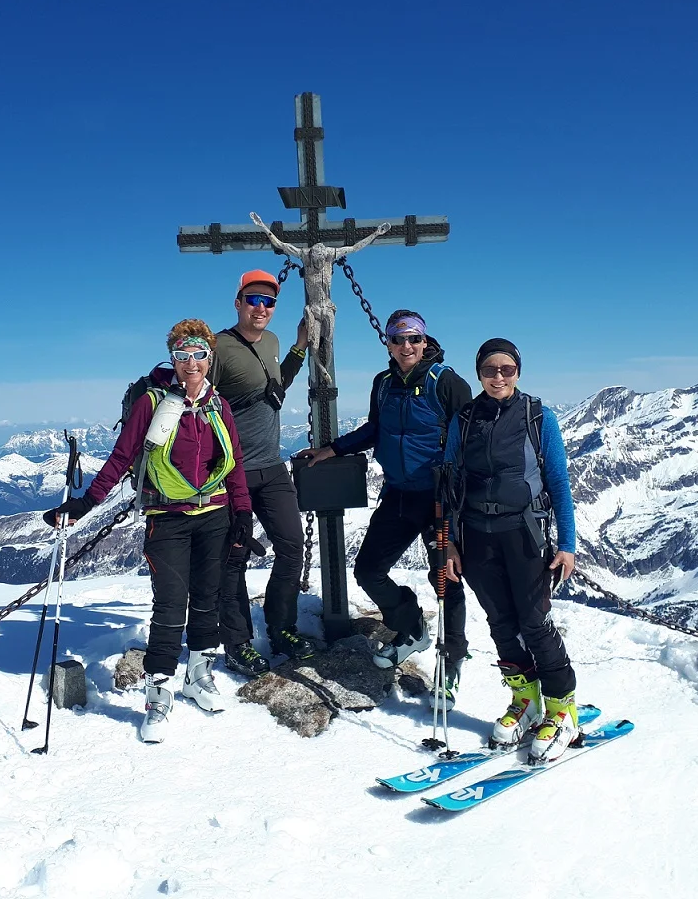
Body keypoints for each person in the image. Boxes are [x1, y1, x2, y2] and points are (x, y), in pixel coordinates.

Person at [43, 320, 258, 744]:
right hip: (168, 517)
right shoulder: (151, 403)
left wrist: (243, 512)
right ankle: (158, 697)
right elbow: (121, 457)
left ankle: (198, 678)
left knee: (208, 598)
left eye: (199, 354)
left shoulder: (219, 405)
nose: (191, 363)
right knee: (171, 604)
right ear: (172, 358)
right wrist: (86, 503)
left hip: (215, 514)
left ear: (210, 357)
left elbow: (233, 463)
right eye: (182, 355)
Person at [298, 310, 473, 707]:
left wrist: (461, 502)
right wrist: (333, 449)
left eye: (414, 338)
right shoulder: (383, 384)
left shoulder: (446, 383)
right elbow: (376, 429)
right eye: (398, 339)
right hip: (398, 494)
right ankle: (411, 628)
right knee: (368, 570)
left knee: (445, 579)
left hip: (439, 498)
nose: (406, 346)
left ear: (425, 342)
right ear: (389, 344)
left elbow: (469, 441)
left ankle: (452, 661)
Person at [441, 337, 579, 761]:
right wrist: (448, 544)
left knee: (534, 621)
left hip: (525, 534)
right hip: (476, 536)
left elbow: (558, 483)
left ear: (518, 372)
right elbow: (448, 484)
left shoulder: (538, 417)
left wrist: (567, 544)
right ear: (478, 373)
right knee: (501, 622)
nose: (498, 377)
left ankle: (562, 709)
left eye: (507, 369)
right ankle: (525, 701)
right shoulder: (465, 419)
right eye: (489, 369)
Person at [208, 270, 316, 676]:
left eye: (268, 302)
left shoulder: (271, 342)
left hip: (271, 466)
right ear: (238, 303)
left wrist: (299, 348)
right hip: (231, 472)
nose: (261, 307)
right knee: (233, 558)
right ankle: (237, 643)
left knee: (291, 546)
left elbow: (275, 387)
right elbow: (199, 402)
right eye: (253, 299)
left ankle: (281, 627)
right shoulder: (218, 347)